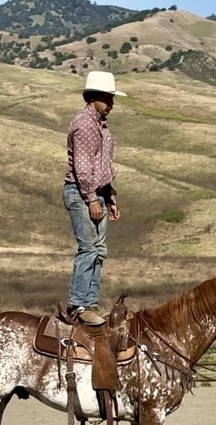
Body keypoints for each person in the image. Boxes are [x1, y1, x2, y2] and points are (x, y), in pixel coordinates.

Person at [63, 71, 125, 326]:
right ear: (94, 97)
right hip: (82, 192)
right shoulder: (85, 125)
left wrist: (108, 196)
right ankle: (78, 305)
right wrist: (91, 199)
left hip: (97, 192)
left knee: (98, 250)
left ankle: (90, 302)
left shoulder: (100, 126)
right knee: (89, 248)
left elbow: (101, 165)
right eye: (108, 98)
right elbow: (83, 167)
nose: (111, 103)